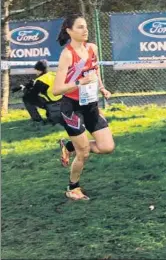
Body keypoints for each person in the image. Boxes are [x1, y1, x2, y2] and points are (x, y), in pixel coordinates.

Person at [52, 14, 115, 201]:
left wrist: (102, 87)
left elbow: (94, 70)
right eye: (80, 27)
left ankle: (69, 146)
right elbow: (57, 90)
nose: (85, 30)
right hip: (72, 108)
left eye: (86, 26)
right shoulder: (67, 55)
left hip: (91, 105)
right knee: (84, 152)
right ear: (69, 31)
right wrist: (80, 82)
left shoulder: (92, 48)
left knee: (107, 147)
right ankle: (73, 188)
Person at [12, 60, 62, 125]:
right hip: (61, 100)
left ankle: (37, 120)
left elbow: (32, 96)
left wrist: (24, 89)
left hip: (51, 101)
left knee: (26, 98)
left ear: (39, 70)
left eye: (36, 70)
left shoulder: (41, 80)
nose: (35, 71)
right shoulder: (54, 74)